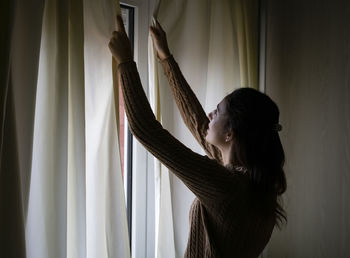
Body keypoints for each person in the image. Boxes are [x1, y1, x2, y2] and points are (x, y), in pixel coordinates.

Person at [109, 15, 286, 258]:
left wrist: (126, 62)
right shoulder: (255, 183)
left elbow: (147, 130)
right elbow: (199, 123)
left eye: (219, 111)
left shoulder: (227, 187)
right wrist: (166, 58)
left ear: (230, 133)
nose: (211, 112)